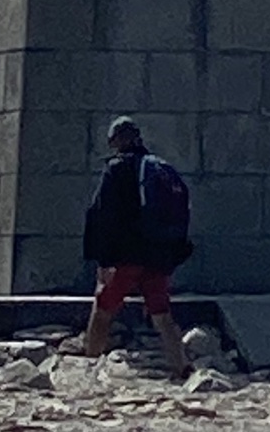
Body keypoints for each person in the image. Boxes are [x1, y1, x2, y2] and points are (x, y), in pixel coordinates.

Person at [76, 117, 192, 380]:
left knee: (103, 309)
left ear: (116, 140)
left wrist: (103, 260)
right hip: (158, 256)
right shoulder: (159, 169)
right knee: (162, 314)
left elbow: (102, 215)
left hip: (126, 257)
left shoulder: (117, 169)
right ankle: (182, 366)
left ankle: (87, 368)